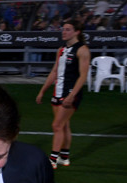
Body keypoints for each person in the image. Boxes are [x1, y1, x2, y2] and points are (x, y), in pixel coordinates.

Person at [36, 20, 90, 169]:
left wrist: (72, 95)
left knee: (57, 125)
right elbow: (54, 72)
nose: (63, 32)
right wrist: (43, 90)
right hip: (58, 91)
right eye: (63, 29)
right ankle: (64, 157)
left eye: (67, 29)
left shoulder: (82, 50)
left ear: (76, 32)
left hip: (70, 93)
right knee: (64, 125)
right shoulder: (61, 50)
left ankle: (52, 159)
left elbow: (83, 76)